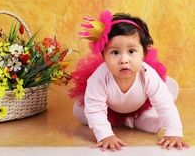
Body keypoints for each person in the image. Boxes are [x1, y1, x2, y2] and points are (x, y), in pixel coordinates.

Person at [69, 10, 189, 151]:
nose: (124, 60)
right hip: (110, 108)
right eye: (115, 52)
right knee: (81, 111)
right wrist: (105, 135)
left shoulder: (147, 75)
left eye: (131, 51)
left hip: (139, 106)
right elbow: (95, 109)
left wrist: (174, 132)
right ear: (104, 56)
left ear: (144, 53)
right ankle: (123, 120)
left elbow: (165, 104)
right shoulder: (99, 77)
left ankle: (134, 119)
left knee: (160, 109)